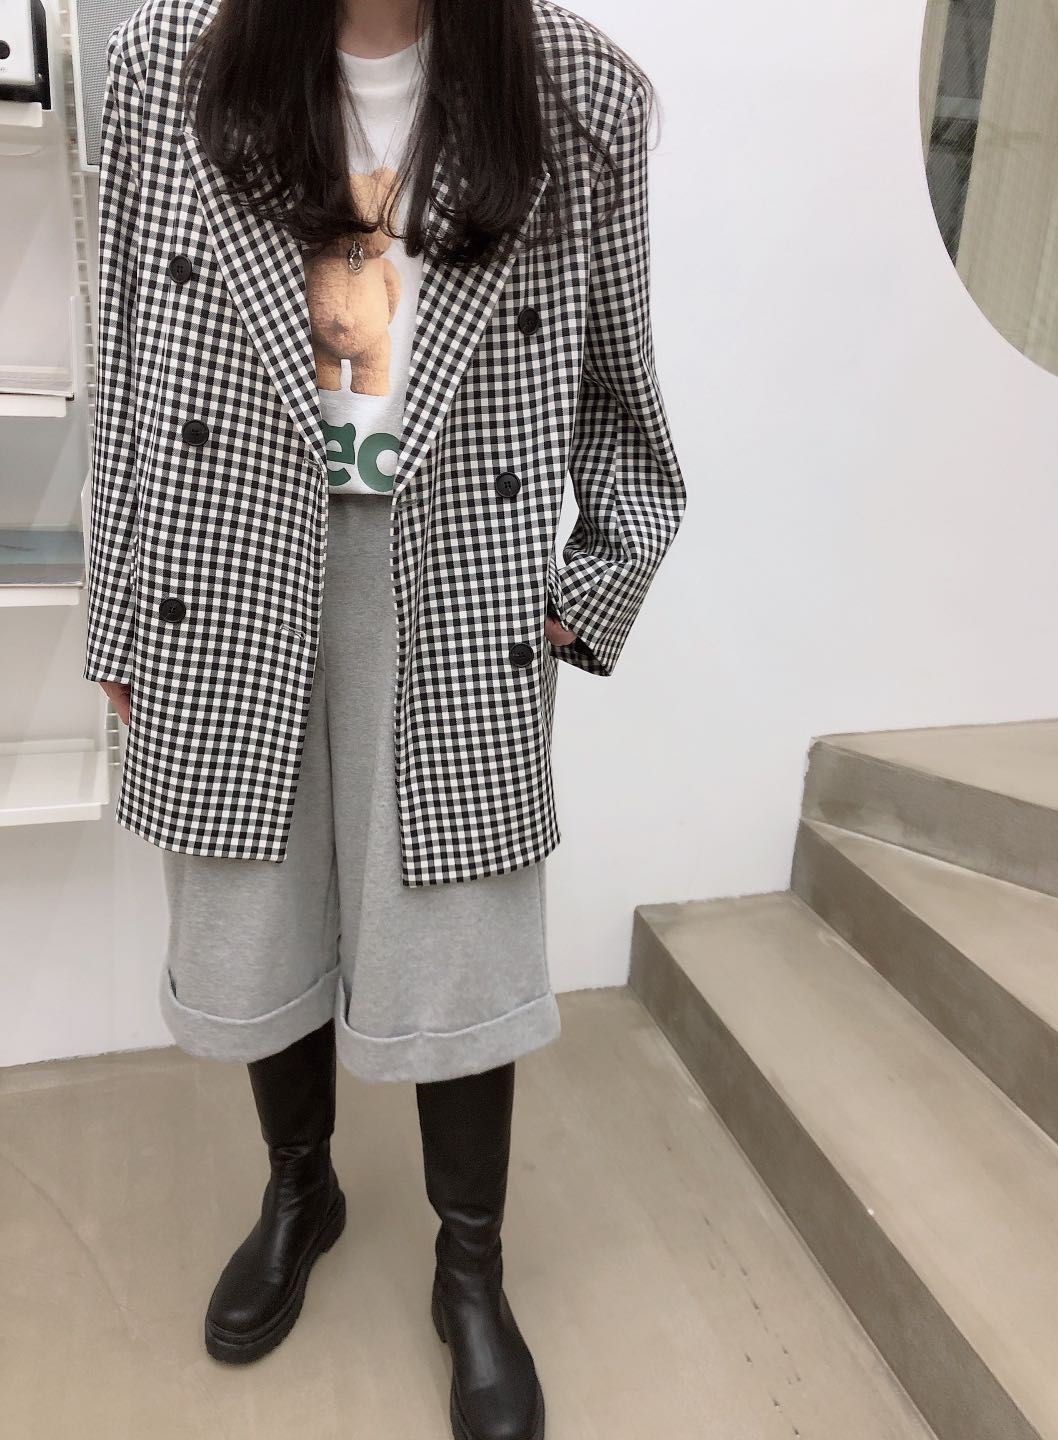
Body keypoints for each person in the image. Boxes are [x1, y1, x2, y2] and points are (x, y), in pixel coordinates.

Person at [84, 0, 686, 1435]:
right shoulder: (167, 62)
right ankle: (304, 1190)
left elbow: (623, 394)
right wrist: (122, 614)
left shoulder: (576, 91)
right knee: (258, 910)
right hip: (230, 553)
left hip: (455, 570)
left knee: (457, 939)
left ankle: (469, 1270)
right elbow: (125, 364)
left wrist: (583, 592)